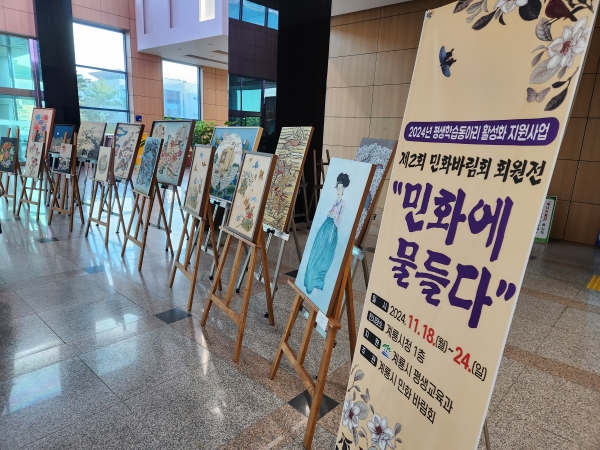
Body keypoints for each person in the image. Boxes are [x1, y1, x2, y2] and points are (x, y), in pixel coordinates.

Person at [304, 173, 350, 294]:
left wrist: (334, 216)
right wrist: (330, 213)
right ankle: (310, 280)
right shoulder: (335, 201)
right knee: (317, 251)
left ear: (344, 189)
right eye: (337, 188)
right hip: (325, 227)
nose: (338, 191)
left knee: (325, 256)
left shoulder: (343, 204)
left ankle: (317, 282)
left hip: (332, 231)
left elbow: (339, 221)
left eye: (340, 188)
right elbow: (331, 212)